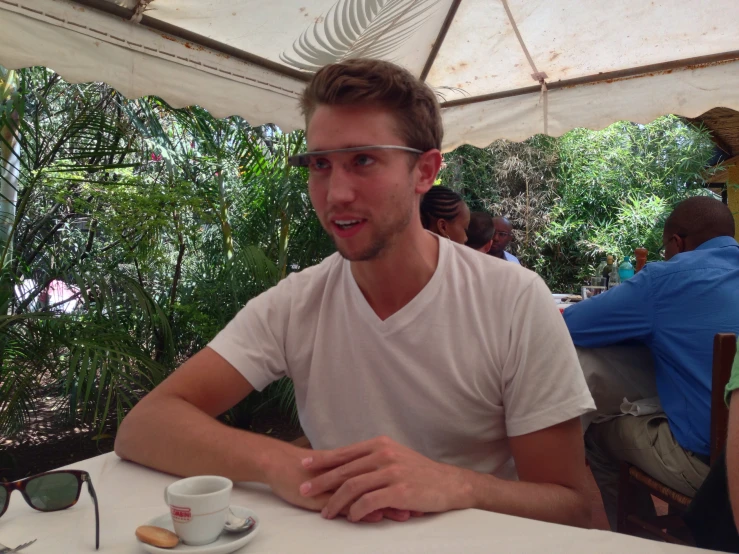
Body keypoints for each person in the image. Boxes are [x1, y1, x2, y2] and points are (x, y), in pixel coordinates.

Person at [115, 58, 595, 528]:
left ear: (424, 172)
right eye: (320, 164)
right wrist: (280, 463)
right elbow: (145, 425)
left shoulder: (512, 299)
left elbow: (570, 504)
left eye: (363, 159)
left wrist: (456, 485)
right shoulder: (297, 303)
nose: (336, 193)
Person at [563, 195, 739, 529]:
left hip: (716, 473)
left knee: (597, 429)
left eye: (665, 249)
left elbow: (571, 324)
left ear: (677, 242)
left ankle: (637, 541)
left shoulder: (664, 279)